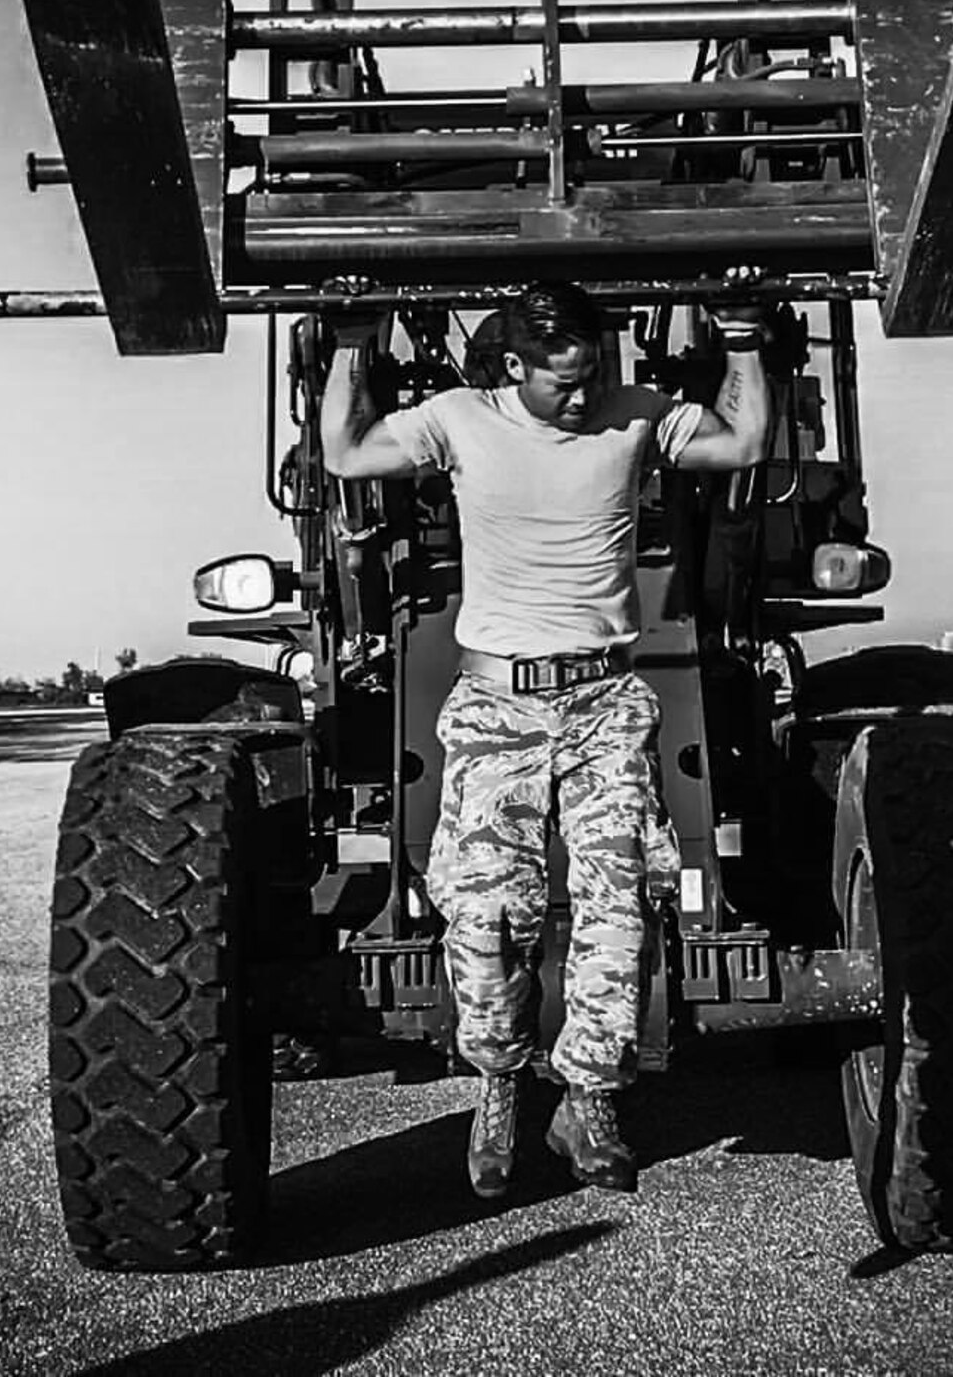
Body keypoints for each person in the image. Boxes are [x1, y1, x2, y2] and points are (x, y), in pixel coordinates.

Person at [321, 279, 771, 1199]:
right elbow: (345, 450)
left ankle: (589, 1101)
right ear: (514, 366)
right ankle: (496, 1088)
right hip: (497, 709)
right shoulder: (458, 418)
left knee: (616, 905)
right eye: (560, 381)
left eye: (589, 376)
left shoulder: (635, 416)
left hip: (604, 701)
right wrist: (347, 346)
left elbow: (746, 442)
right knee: (487, 914)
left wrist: (745, 340)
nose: (579, 396)